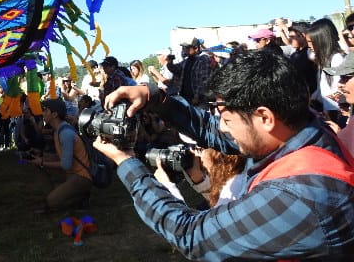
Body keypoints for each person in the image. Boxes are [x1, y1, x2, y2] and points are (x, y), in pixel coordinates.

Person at [95, 51, 354, 261]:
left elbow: (192, 236)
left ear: (264, 117)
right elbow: (213, 132)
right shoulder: (300, 129)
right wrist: (156, 98)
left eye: (227, 119)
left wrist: (127, 163)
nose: (221, 126)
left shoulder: (301, 195)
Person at [30, 98, 91, 212]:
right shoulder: (59, 129)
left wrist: (43, 162)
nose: (42, 113)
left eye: (45, 110)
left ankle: (78, 197)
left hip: (81, 176)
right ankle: (59, 195)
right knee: (39, 164)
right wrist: (42, 157)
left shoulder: (65, 133)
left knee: (52, 202)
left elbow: (66, 165)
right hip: (72, 172)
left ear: (54, 114)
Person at [306, 18, 346, 118]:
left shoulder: (337, 59)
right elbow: (323, 88)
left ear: (321, 41)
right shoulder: (324, 60)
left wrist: (331, 110)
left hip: (338, 112)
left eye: (311, 42)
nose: (309, 46)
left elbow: (341, 90)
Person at [167, 37, 212, 105]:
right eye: (184, 48)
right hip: (185, 98)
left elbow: (204, 80)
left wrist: (197, 96)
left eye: (187, 48)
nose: (184, 50)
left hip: (198, 100)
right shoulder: (187, 61)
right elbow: (176, 69)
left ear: (196, 48)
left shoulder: (203, 59)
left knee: (199, 115)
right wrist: (170, 62)